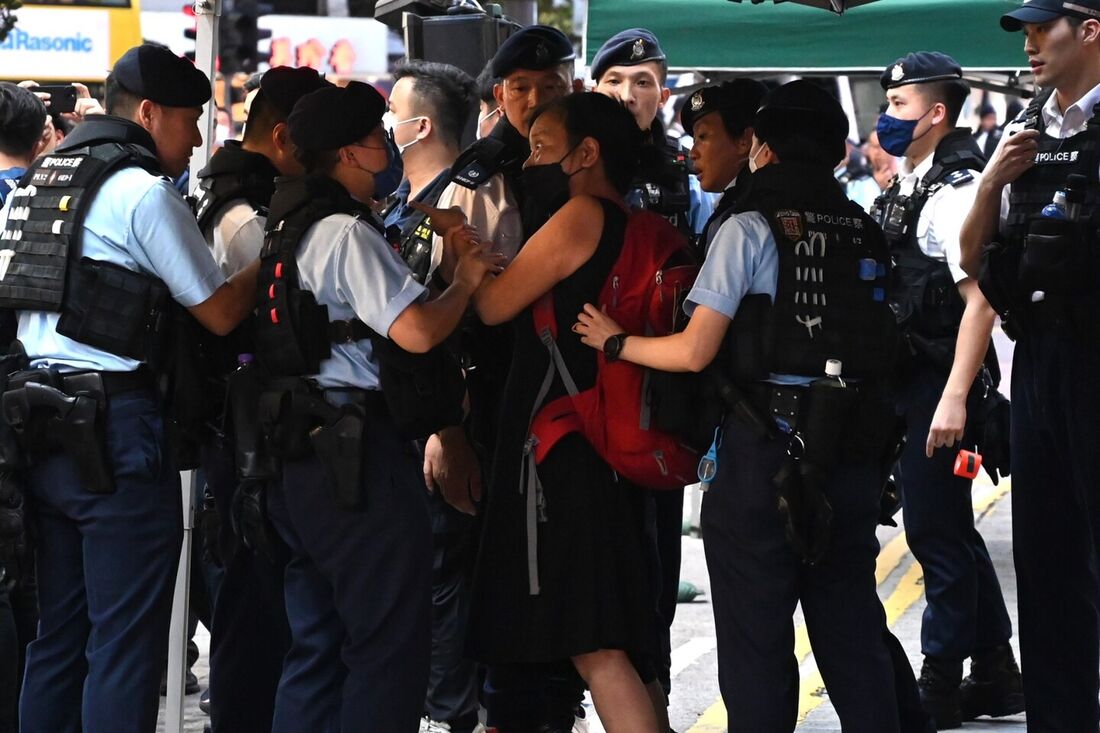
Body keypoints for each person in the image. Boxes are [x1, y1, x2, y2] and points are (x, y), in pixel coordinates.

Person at [574, 80, 910, 732]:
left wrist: (615, 339)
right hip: (851, 451)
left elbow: (696, 351)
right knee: (850, 633)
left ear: (761, 146)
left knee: (757, 644)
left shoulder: (749, 226)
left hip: (764, 451)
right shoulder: (863, 226)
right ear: (837, 148)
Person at [0, 43, 260, 733]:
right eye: (188, 118)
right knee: (124, 644)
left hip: (37, 426)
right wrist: (274, 256)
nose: (198, 136)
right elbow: (221, 312)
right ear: (149, 113)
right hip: (114, 436)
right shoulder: (141, 191)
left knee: (58, 636)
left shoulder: (35, 183)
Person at [256, 80, 498, 733]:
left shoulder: (289, 217)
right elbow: (417, 330)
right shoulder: (344, 234)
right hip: (357, 462)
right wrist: (467, 283)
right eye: (377, 135)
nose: (386, 146)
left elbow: (390, 211)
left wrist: (428, 217)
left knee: (318, 643)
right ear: (353, 150)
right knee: (387, 646)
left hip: (301, 456)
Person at [454, 90, 664, 733]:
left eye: (543, 146)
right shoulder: (629, 220)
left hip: (562, 453)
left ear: (587, 153)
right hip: (603, 443)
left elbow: (493, 307)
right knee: (619, 634)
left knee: (593, 641)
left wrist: (465, 255)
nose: (529, 160)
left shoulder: (580, 217)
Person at [429, 27, 584, 732]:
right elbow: (449, 313)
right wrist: (450, 428)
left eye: (548, 86)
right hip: (496, 399)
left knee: (562, 568)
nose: (535, 100)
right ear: (498, 97)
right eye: (520, 88)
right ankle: (486, 709)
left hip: (577, 398)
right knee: (495, 568)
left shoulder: (590, 168)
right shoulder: (477, 181)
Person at [960, 1, 1100, 729]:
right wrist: (990, 182)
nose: (1029, 46)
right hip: (1041, 360)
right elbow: (971, 262)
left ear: (1090, 31)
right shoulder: (1029, 134)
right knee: (1047, 563)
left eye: (1043, 30)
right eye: (1023, 33)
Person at [873, 51, 1022, 729]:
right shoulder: (914, 184)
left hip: (941, 381)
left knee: (935, 532)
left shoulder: (955, 192)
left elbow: (980, 301)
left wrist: (957, 396)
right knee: (947, 528)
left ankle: (939, 680)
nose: (888, 116)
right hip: (914, 379)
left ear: (937, 113)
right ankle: (995, 668)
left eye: (900, 105)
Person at [191, 65, 332, 733]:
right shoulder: (245, 212)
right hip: (245, 432)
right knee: (253, 599)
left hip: (254, 427)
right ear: (284, 135)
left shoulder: (248, 195)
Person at [588, 27, 716, 713]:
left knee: (657, 555)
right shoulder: (569, 162)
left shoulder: (681, 173)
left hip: (657, 388)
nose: (632, 94)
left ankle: (654, 690)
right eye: (617, 81)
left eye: (645, 82)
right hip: (582, 388)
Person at [379, 59, 485, 733]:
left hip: (442, 429)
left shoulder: (461, 208)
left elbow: (467, 336)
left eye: (391, 113)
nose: (383, 125)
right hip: (399, 426)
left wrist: (451, 431)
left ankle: (451, 715)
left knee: (446, 577)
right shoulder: (402, 205)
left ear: (418, 126)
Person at [678, 79, 768, 255]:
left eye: (703, 137)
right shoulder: (734, 204)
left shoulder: (743, 217)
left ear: (745, 141)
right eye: (694, 140)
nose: (692, 153)